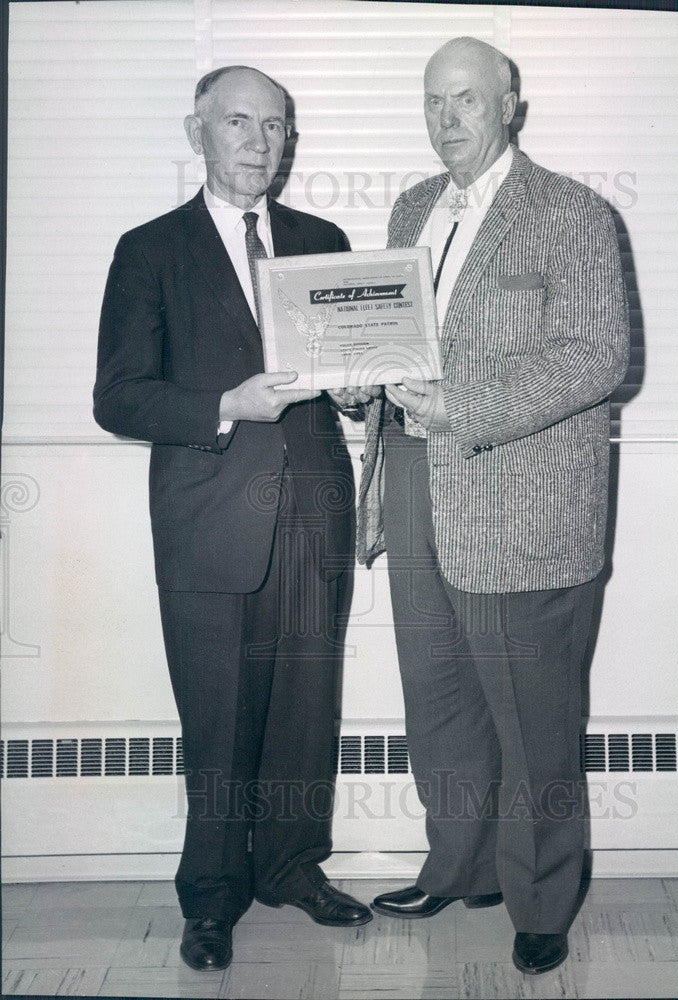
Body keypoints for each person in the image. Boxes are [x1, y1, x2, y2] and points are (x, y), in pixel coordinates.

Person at [357, 37, 629, 975]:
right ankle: (460, 866)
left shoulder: (574, 214)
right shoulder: (411, 208)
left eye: (467, 100)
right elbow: (391, 335)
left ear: (509, 105)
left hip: (522, 509)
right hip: (414, 487)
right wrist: (359, 380)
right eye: (433, 102)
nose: (447, 120)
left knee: (535, 720)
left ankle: (543, 898)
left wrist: (464, 405)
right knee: (439, 705)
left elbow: (598, 357)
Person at [94, 65, 372, 973]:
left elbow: (348, 381)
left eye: (277, 126)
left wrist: (368, 393)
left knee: (304, 707)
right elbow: (119, 397)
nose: (260, 142)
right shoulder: (149, 250)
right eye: (240, 123)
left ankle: (292, 866)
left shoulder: (321, 239)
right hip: (209, 518)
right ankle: (211, 897)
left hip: (313, 515)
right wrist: (226, 405)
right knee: (216, 720)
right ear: (198, 132)